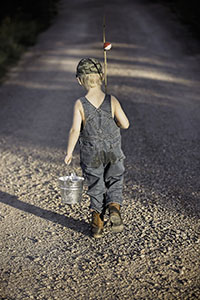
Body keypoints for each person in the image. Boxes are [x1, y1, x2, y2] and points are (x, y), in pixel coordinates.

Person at [64, 58, 129, 238]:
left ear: (79, 80)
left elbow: (75, 130)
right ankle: (114, 208)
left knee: (95, 184)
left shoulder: (80, 103)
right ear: (102, 76)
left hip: (91, 152)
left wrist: (69, 152)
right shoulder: (112, 100)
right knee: (115, 178)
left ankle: (97, 223)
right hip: (113, 151)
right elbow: (125, 124)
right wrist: (113, 120)